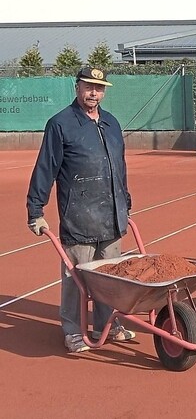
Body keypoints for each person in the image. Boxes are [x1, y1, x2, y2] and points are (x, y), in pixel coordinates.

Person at [26, 67, 135, 353]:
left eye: (99, 88)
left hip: (111, 214)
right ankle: (73, 331)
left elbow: (119, 168)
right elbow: (45, 168)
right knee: (76, 278)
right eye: (89, 87)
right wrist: (35, 209)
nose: (94, 93)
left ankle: (106, 326)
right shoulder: (60, 124)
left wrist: (125, 202)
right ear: (77, 87)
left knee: (110, 276)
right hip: (79, 215)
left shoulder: (111, 123)